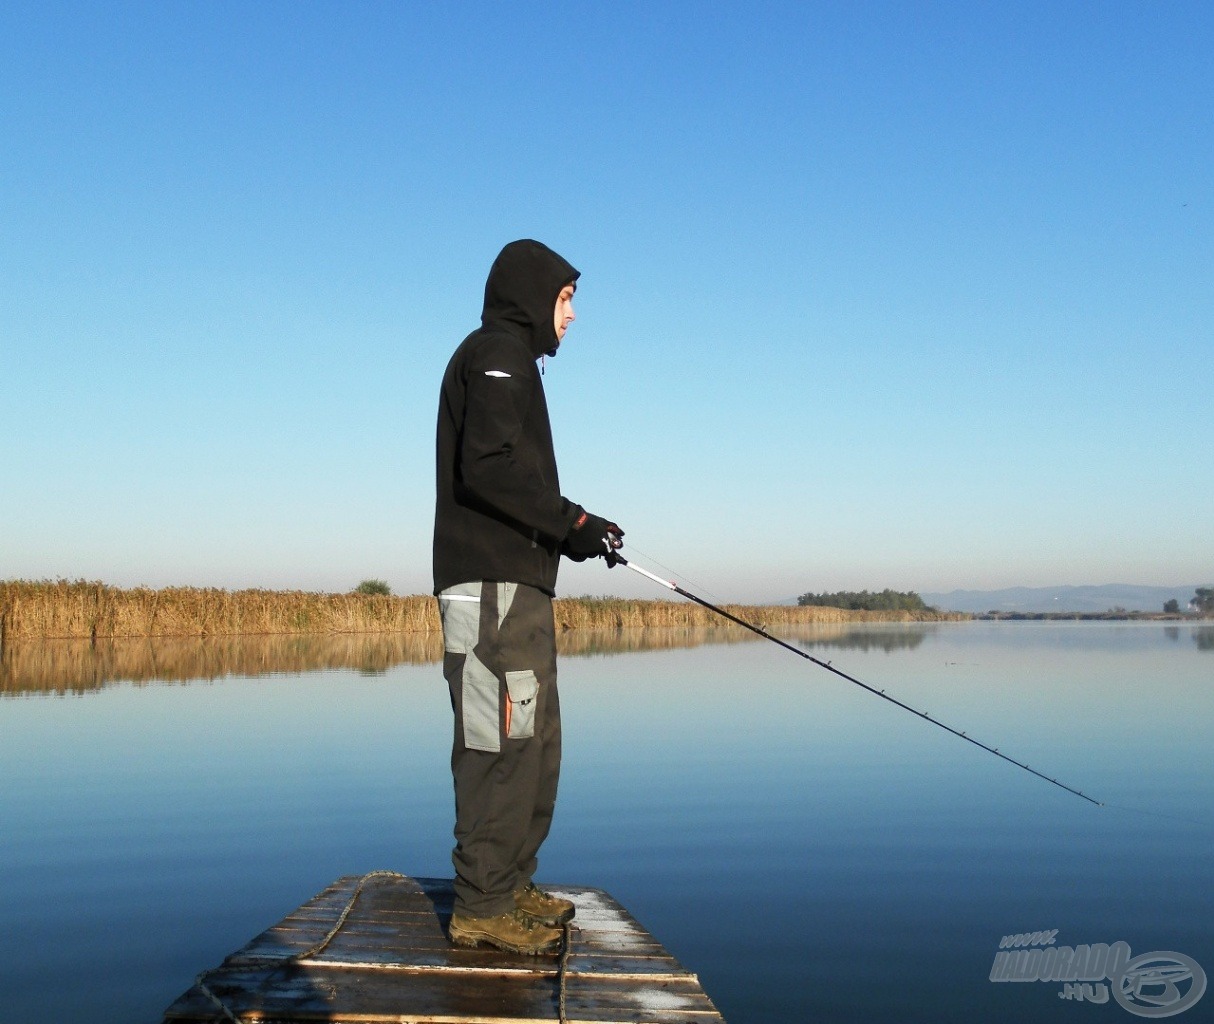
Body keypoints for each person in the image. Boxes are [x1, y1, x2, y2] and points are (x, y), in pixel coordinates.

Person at [433, 239, 623, 955]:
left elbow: (513, 479)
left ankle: (510, 884)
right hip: (488, 591)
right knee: (497, 741)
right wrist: (572, 520)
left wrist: (574, 531)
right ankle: (482, 903)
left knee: (535, 743)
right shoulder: (496, 352)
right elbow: (488, 468)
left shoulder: (514, 362)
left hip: (518, 588)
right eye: (567, 298)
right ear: (532, 293)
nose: (572, 315)